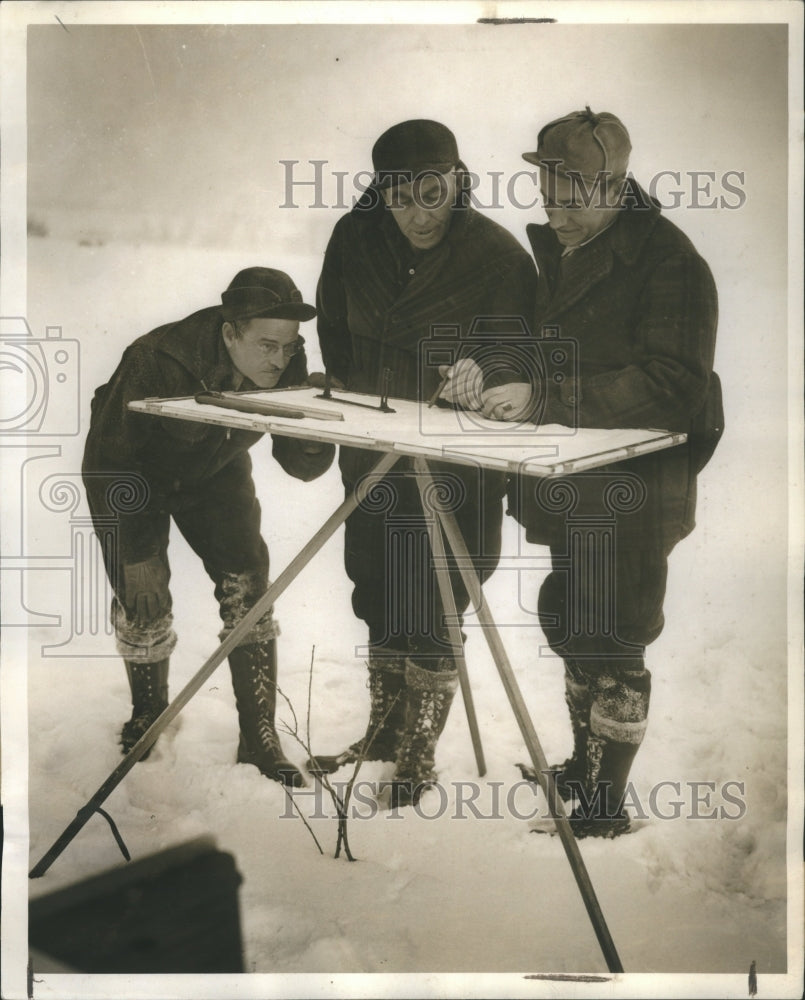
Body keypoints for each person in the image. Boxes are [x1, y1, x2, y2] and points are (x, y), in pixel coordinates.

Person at [500, 108, 723, 837]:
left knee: (617, 636)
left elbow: (672, 381)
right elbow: (551, 350)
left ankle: (604, 806)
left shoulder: (670, 263)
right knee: (570, 616)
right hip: (573, 479)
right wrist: (492, 374)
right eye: (547, 197)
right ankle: (583, 763)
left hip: (637, 487)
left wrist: (545, 399)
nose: (555, 213)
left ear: (616, 184)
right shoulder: (570, 251)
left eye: (572, 199)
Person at [310, 119, 537, 804]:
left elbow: (526, 358)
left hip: (454, 459)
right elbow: (331, 323)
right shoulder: (355, 237)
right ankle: (383, 728)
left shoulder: (496, 255)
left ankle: (416, 756)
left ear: (458, 181)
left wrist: (486, 368)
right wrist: (357, 405)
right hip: (374, 442)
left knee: (437, 594)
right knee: (375, 582)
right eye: (399, 196)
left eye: (430, 193)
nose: (416, 212)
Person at [82, 267, 335, 787]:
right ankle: (148, 712)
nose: (279, 360)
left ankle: (259, 736)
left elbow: (301, 465)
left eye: (289, 347)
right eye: (267, 346)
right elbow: (107, 460)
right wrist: (135, 554)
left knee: (250, 590)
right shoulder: (158, 357)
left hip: (216, 474)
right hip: (135, 478)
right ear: (229, 331)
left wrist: (314, 424)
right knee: (145, 599)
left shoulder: (286, 359)